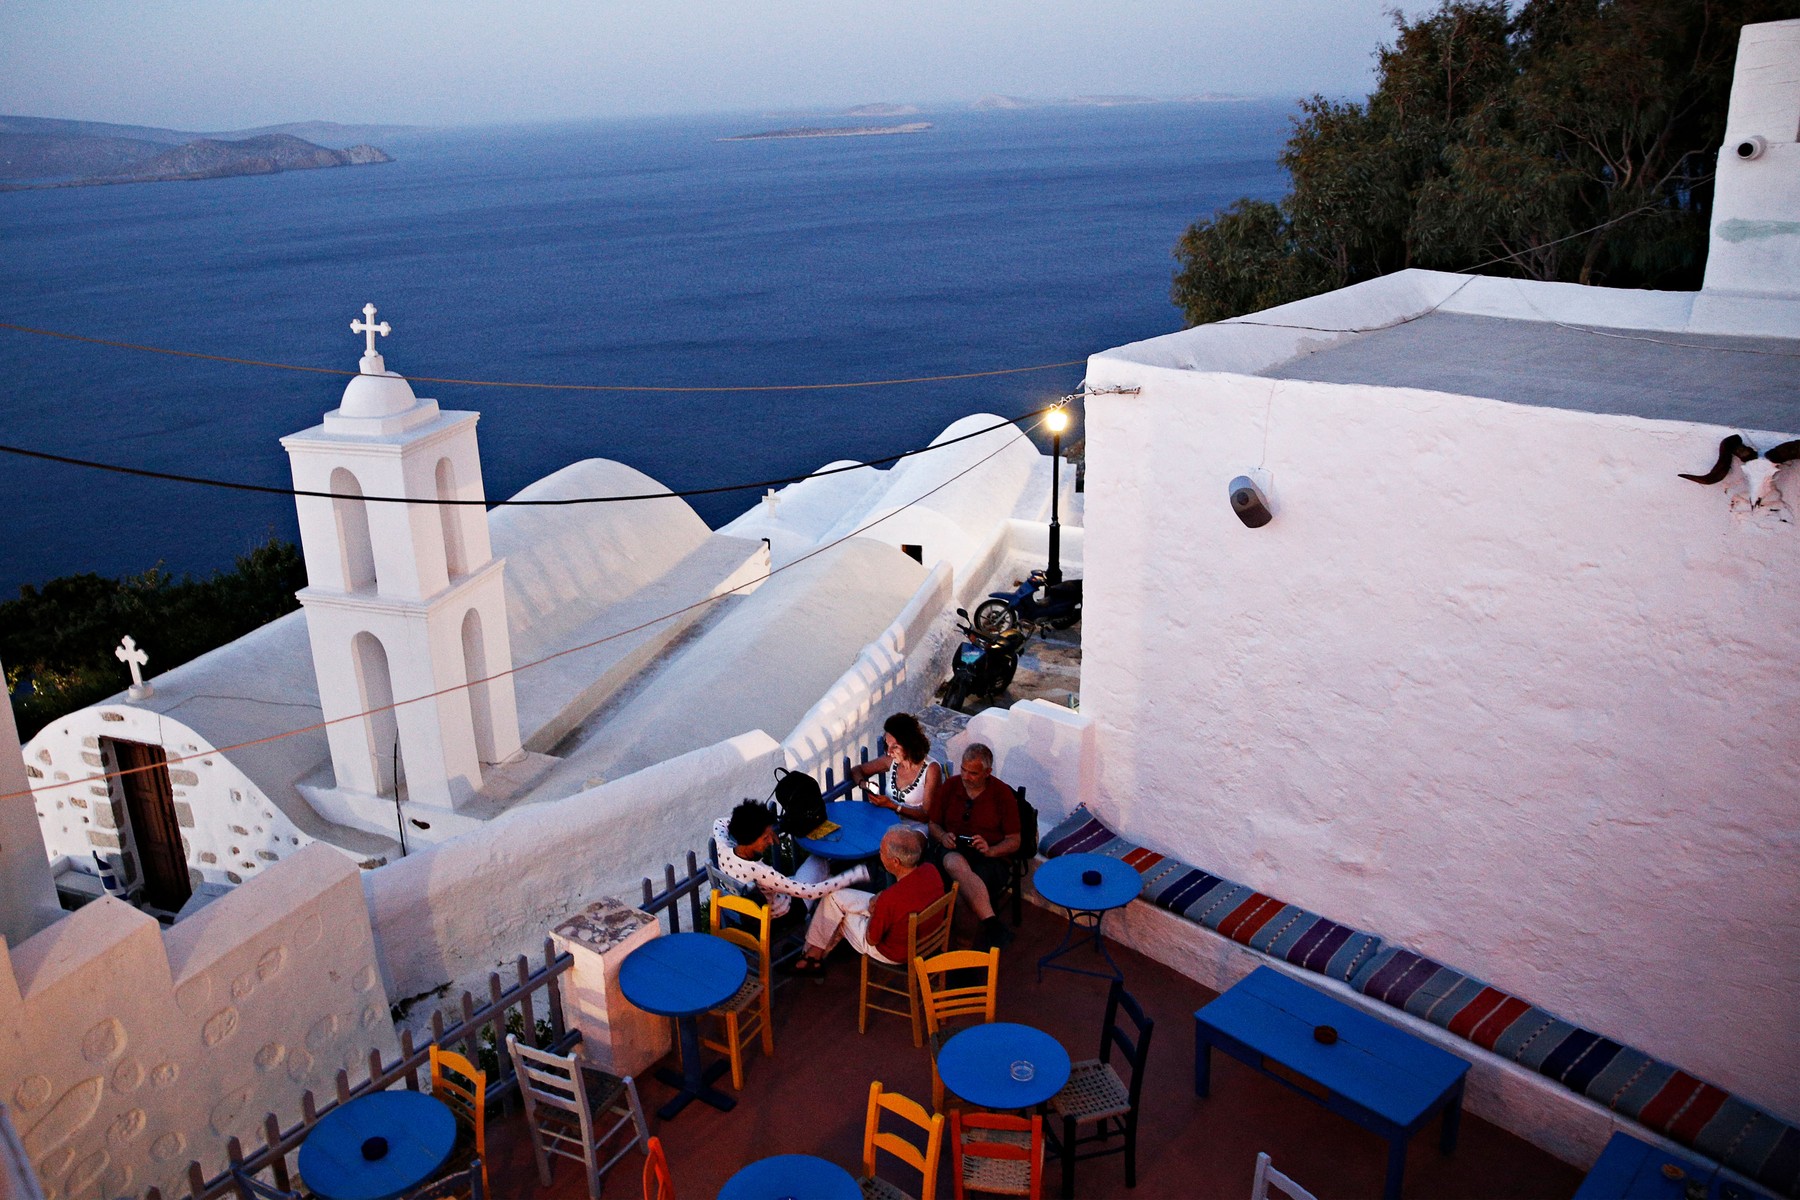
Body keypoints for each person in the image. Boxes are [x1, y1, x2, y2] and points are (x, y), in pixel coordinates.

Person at [785, 827, 945, 975]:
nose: (879, 855)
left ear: (896, 862)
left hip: (892, 952)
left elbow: (871, 939)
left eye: (881, 851)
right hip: (921, 939)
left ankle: (810, 956)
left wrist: (875, 912)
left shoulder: (890, 900)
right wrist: (881, 899)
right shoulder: (930, 870)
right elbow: (903, 896)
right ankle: (814, 957)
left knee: (837, 914)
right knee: (833, 897)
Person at [927, 743, 1019, 949]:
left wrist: (991, 849)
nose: (966, 777)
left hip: (988, 858)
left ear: (988, 772)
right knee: (952, 861)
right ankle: (991, 923)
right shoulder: (951, 786)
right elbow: (933, 823)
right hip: (952, 850)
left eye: (973, 773)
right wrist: (943, 837)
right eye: (963, 770)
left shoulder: (1001, 795)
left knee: (963, 897)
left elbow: (1015, 840)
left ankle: (963, 948)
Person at [712, 799, 867, 920]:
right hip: (787, 913)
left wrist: (751, 824)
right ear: (749, 838)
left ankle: (833, 895)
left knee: (827, 880)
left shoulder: (723, 847)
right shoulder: (762, 872)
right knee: (819, 861)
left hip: (748, 913)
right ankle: (848, 896)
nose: (772, 841)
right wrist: (856, 874)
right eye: (765, 837)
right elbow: (810, 892)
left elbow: (719, 822)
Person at [848, 713, 943, 831]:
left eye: (895, 747)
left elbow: (926, 816)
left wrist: (892, 805)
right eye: (888, 745)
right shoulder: (891, 761)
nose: (889, 752)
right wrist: (864, 784)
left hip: (916, 828)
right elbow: (857, 770)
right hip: (888, 821)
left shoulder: (931, 769)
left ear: (909, 744)